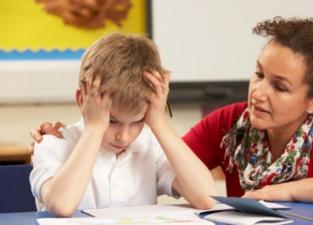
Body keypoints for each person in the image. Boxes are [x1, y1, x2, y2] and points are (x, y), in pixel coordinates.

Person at [31, 17, 313, 208]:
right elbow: (177, 164)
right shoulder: (230, 123)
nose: (258, 92)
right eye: (258, 74)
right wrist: (91, 130)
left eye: (279, 86)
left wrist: (283, 192)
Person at [29, 33, 216, 217]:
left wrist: (158, 122)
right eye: (111, 121)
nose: (123, 136)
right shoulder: (53, 143)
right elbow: (62, 205)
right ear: (82, 100)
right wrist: (95, 128)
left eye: (138, 121)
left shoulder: (150, 146)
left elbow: (208, 199)